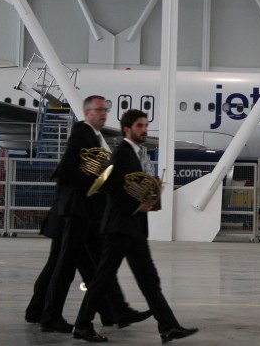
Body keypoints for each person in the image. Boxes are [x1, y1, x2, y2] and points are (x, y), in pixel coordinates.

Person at [72, 110, 198, 343]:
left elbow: (132, 185)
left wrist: (152, 189)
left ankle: (168, 327)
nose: (144, 129)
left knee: (149, 280)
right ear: (127, 129)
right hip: (120, 227)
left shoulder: (137, 153)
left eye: (145, 125)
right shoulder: (121, 153)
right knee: (102, 279)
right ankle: (82, 325)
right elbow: (111, 186)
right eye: (139, 126)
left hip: (133, 228)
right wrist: (135, 206)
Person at [38, 96, 150, 333]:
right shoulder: (82, 132)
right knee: (66, 267)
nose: (103, 114)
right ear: (87, 113)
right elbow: (67, 169)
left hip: (85, 212)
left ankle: (114, 312)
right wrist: (93, 184)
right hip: (78, 210)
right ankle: (51, 317)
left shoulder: (94, 136)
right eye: (98, 110)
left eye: (105, 110)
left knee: (94, 266)